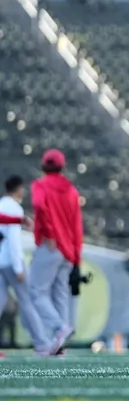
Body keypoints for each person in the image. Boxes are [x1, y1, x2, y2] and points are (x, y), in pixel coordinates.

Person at [28, 149, 78, 355]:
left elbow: (39, 204)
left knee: (36, 292)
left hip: (50, 245)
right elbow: (77, 224)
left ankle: (59, 328)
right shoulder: (71, 190)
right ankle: (60, 345)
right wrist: (76, 253)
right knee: (60, 296)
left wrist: (48, 232)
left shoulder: (40, 185)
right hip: (68, 248)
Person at [0, 175, 46, 354]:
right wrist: (19, 267)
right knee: (28, 301)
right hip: (11, 263)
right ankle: (42, 343)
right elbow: (13, 240)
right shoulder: (14, 208)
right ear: (18, 189)